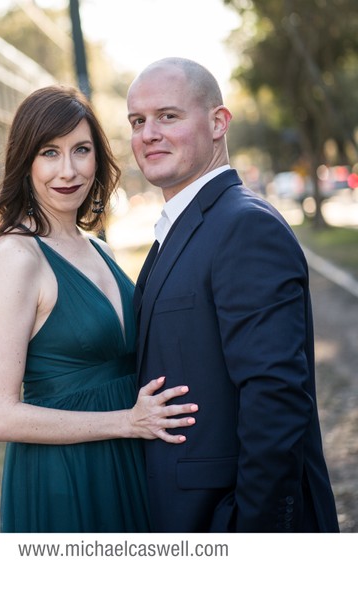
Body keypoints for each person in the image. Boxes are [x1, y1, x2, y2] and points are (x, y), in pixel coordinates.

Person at [126, 57, 340, 532]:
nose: (148, 134)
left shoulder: (244, 226)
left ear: (219, 123)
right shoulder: (181, 228)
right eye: (138, 121)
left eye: (168, 116)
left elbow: (277, 400)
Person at [0, 85, 198, 533]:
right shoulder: (18, 256)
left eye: (81, 150)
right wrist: (128, 422)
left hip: (130, 461)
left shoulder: (99, 249)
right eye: (49, 153)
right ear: (25, 162)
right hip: (67, 478)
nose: (69, 170)